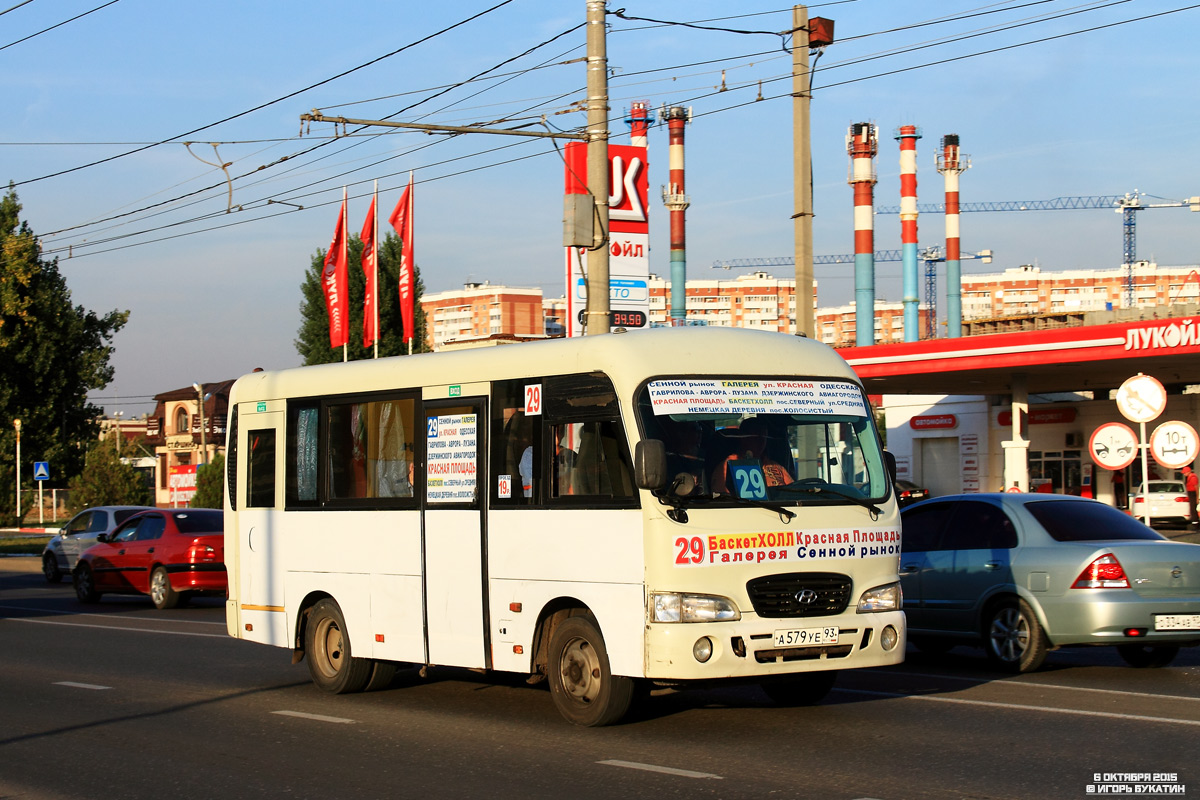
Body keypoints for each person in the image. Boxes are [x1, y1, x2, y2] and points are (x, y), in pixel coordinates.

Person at [711, 417, 793, 495]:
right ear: (743, 438)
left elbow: (794, 492)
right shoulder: (727, 466)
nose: (761, 442)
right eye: (756, 437)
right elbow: (723, 499)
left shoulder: (776, 467)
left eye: (764, 437)